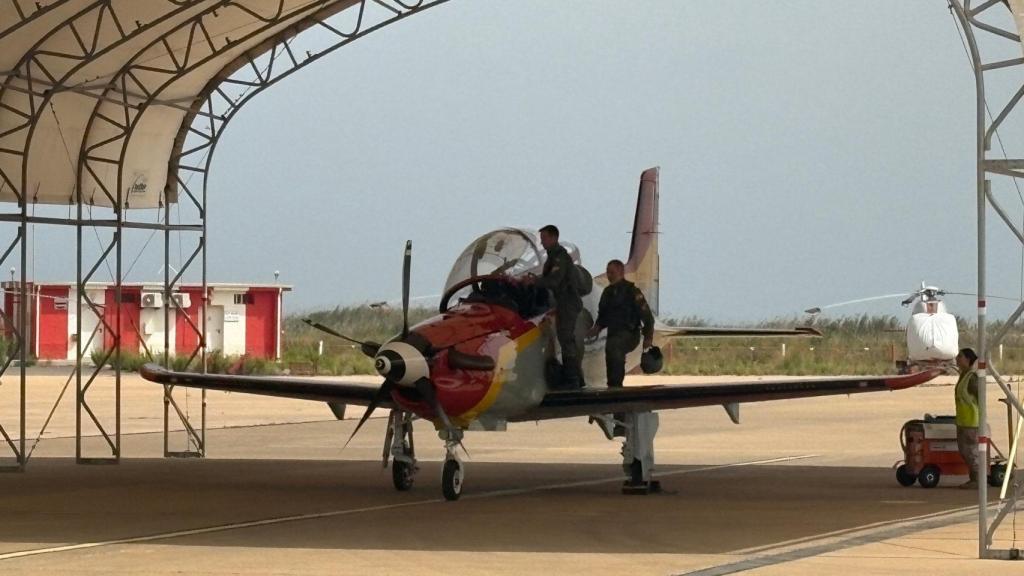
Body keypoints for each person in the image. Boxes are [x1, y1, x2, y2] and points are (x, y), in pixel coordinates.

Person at [526, 224, 584, 388]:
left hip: (567, 303)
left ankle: (572, 380)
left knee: (566, 340)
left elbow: (554, 280)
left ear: (554, 238)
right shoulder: (553, 256)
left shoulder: (559, 257)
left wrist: (534, 281)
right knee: (566, 339)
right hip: (564, 302)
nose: (542, 242)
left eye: (544, 238)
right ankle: (576, 379)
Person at [586, 259, 655, 389]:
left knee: (614, 347)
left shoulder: (633, 292)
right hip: (614, 333)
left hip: (630, 333)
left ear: (621, 272)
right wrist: (595, 329)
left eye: (612, 272)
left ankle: (616, 386)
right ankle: (612, 385)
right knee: (610, 350)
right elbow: (603, 317)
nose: (609, 275)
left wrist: (648, 337)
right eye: (608, 272)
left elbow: (647, 317)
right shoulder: (607, 293)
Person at [954, 347, 981, 490]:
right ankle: (975, 478)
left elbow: (979, 398)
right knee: (966, 451)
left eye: (960, 356)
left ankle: (978, 479)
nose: (957, 359)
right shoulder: (964, 375)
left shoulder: (972, 378)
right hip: (963, 420)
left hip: (971, 421)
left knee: (970, 451)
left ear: (968, 359)